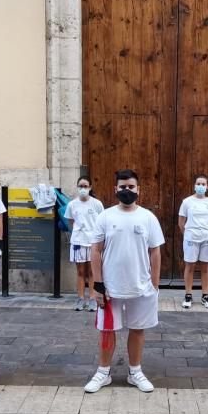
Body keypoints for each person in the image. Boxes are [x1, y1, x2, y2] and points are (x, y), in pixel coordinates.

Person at [86, 169, 164, 394]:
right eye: (123, 187)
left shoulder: (148, 217)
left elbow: (155, 252)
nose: (126, 190)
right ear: (115, 189)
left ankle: (135, 372)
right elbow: (95, 250)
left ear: (138, 189)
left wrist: (155, 284)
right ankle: (103, 372)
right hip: (111, 288)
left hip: (141, 286)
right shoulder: (106, 216)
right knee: (107, 330)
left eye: (131, 187)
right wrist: (98, 284)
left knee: (138, 329)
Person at [178, 175, 208, 309]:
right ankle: (188, 295)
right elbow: (181, 222)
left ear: (207, 187)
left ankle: (205, 295)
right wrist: (188, 235)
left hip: (207, 239)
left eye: (203, 184)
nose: (200, 186)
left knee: (205, 267)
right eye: (198, 183)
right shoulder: (187, 202)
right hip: (191, 239)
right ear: (194, 185)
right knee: (189, 266)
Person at [66, 176, 104, 312]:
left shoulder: (97, 204)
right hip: (78, 241)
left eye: (85, 186)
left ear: (90, 187)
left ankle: (92, 298)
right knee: (81, 271)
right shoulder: (72, 204)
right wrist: (78, 232)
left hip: (93, 242)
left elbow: (102, 222)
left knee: (92, 271)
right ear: (77, 187)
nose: (83, 189)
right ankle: (81, 298)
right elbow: (70, 221)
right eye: (80, 186)